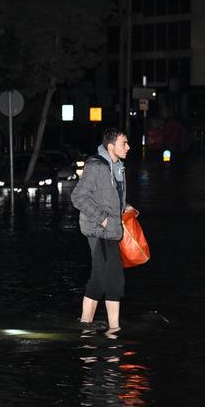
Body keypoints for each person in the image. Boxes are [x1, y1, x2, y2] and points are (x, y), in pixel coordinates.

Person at [72, 128, 132, 335]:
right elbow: (78, 197)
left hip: (113, 230)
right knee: (99, 277)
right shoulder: (96, 166)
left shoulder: (118, 167)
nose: (128, 147)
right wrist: (104, 218)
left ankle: (113, 330)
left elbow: (110, 197)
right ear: (111, 146)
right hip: (97, 231)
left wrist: (125, 208)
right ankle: (85, 327)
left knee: (115, 280)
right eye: (124, 143)